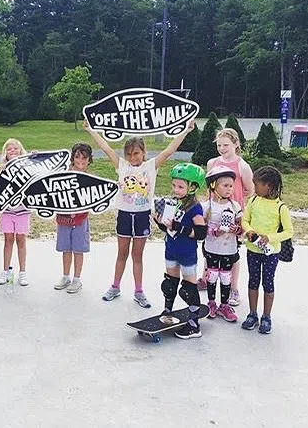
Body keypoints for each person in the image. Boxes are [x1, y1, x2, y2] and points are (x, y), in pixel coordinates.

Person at [87, 118, 195, 307]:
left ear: (143, 152)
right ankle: (115, 286)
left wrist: (186, 131)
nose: (132, 157)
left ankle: (139, 291)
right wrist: (91, 130)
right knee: (122, 254)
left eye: (136, 153)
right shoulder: (122, 165)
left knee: (137, 256)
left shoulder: (150, 166)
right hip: (124, 215)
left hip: (142, 216)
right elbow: (106, 149)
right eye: (129, 154)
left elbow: (169, 151)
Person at [199, 128, 254, 306]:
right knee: (210, 246)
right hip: (213, 211)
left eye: (226, 145)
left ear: (236, 144)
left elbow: (250, 190)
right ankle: (206, 277)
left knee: (232, 253)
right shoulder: (212, 163)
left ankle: (233, 287)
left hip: (233, 213)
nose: (222, 148)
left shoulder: (242, 166)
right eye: (219, 145)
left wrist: (236, 206)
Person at [154, 163, 207, 339]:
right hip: (171, 249)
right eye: (174, 185)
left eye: (180, 186)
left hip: (187, 254)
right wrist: (158, 221)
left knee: (188, 289)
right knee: (169, 285)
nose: (175, 190)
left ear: (192, 187)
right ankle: (167, 310)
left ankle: (194, 325)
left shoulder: (195, 208)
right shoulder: (173, 204)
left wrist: (179, 227)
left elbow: (200, 233)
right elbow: (168, 229)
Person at [240, 166, 293, 334]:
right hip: (252, 250)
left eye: (257, 185)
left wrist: (269, 237)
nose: (254, 188)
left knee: (268, 283)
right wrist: (249, 230)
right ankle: (252, 314)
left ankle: (266, 316)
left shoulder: (280, 208)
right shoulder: (253, 201)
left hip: (271, 253)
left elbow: (288, 232)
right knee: (253, 281)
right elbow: (245, 220)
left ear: (269, 186)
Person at [202, 165, 243, 322]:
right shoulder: (207, 207)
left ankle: (224, 305)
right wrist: (214, 232)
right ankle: (211, 303)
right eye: (225, 185)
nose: (229, 189)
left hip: (229, 249)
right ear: (213, 185)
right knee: (212, 276)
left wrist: (236, 230)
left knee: (226, 277)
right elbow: (201, 228)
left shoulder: (234, 206)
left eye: (231, 186)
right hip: (212, 247)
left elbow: (242, 227)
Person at [52, 143, 93, 294]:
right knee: (65, 249)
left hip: (81, 219)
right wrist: (36, 155)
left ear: (89, 160)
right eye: (77, 157)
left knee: (78, 249)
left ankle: (77, 279)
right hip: (63, 219)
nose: (80, 160)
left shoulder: (90, 178)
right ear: (72, 157)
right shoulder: (64, 173)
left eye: (84, 157)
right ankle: (65, 276)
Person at [0, 138, 31, 286]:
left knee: (21, 241)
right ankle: (6, 270)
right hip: (8, 211)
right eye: (9, 149)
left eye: (16, 148)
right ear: (5, 153)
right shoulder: (2, 169)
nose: (13, 151)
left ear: (21, 150)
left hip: (23, 211)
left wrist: (34, 158)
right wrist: (2, 171)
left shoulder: (29, 167)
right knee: (8, 240)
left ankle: (23, 272)